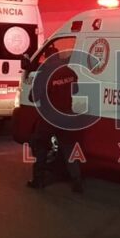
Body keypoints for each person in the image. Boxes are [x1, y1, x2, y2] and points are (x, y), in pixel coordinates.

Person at [27, 46, 84, 193]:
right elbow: (76, 90)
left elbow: (32, 98)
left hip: (49, 118)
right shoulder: (69, 71)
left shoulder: (44, 74)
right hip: (66, 116)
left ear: (46, 58)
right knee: (69, 149)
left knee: (41, 147)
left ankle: (38, 181)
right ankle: (77, 181)